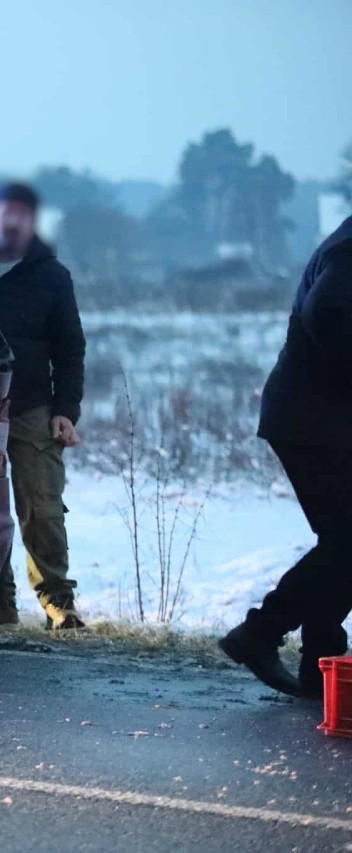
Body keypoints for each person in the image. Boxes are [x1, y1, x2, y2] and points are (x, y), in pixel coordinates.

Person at [0, 183, 87, 630]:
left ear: (31, 221)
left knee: (41, 507)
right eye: (4, 213)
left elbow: (70, 349)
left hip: (30, 405)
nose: (11, 222)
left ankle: (57, 602)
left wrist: (66, 409)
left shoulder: (52, 275)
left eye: (21, 215)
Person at [220, 214, 352, 699]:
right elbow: (329, 315)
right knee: (347, 542)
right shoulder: (350, 250)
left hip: (320, 419)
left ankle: (321, 666)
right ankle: (259, 633)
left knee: (341, 545)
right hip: (312, 420)